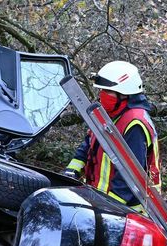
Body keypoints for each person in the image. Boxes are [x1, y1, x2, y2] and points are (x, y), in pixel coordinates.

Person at [65, 61, 160, 211]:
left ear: (124, 93)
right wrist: (71, 171)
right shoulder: (109, 116)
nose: (102, 95)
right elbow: (89, 144)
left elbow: (130, 175)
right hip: (101, 199)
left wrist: (110, 205)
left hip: (128, 210)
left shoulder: (135, 124)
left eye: (107, 91)